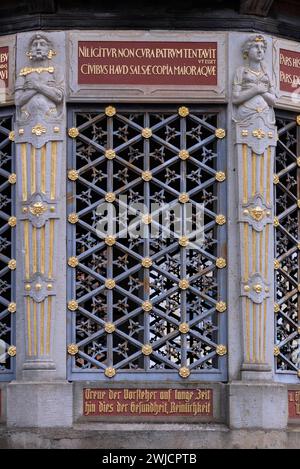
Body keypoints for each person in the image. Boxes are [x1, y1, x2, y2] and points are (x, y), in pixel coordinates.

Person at [15, 34, 64, 122]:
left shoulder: (56, 70)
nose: (38, 48)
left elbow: (59, 96)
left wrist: (36, 86)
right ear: (30, 50)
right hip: (26, 117)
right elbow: (18, 101)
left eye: (42, 44)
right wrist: (46, 88)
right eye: (35, 45)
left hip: (51, 115)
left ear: (49, 49)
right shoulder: (23, 72)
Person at [232, 34, 276, 124]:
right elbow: (235, 99)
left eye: (262, 48)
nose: (260, 51)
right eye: (256, 47)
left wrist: (261, 92)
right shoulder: (240, 71)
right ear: (247, 50)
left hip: (265, 114)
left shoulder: (267, 74)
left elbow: (273, 100)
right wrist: (256, 89)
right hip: (245, 113)